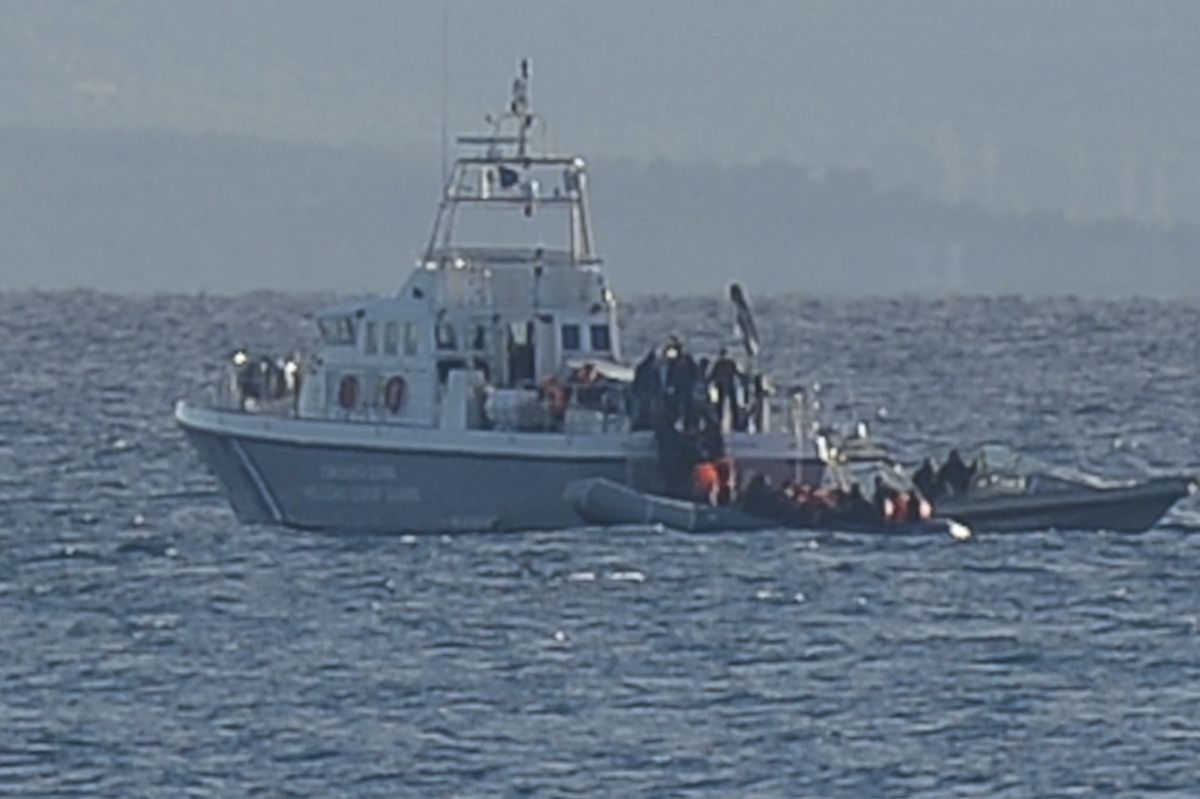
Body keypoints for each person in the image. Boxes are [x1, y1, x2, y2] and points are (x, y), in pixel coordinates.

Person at [708, 348, 741, 431]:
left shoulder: (723, 364)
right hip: (722, 386)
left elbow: (712, 376)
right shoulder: (722, 364)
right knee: (720, 405)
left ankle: (733, 423)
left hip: (725, 386)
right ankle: (726, 423)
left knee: (725, 405)